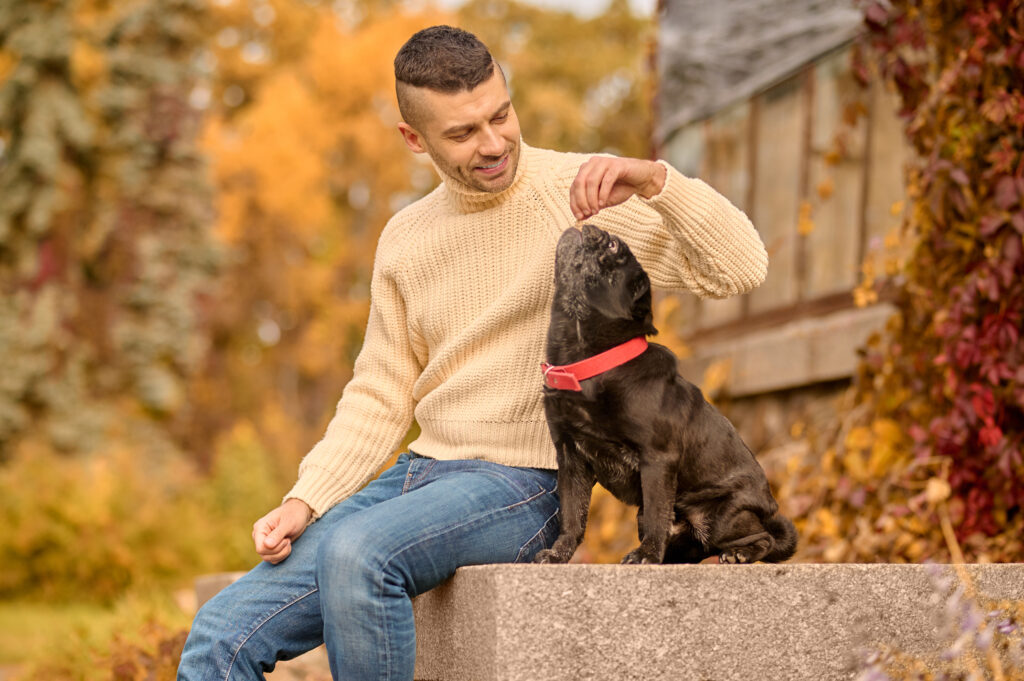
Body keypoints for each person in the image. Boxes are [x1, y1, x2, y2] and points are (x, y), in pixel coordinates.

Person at [177, 24, 768, 681]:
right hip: (417, 475)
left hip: (521, 483)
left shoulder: (584, 197)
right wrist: (305, 498)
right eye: (462, 133)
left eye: (501, 115)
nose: (492, 144)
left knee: (358, 553)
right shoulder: (406, 236)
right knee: (219, 637)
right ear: (414, 138)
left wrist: (660, 181)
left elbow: (740, 269)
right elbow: (379, 392)